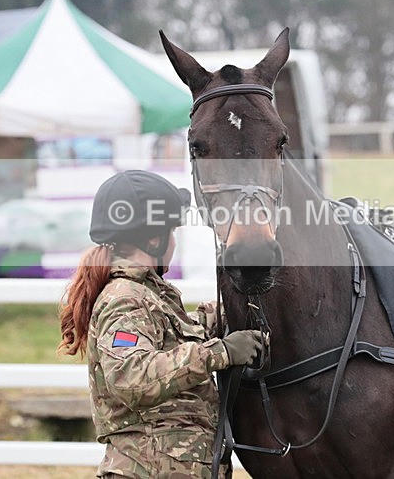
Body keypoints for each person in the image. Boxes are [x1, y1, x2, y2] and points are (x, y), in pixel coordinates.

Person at [58, 170, 263, 478]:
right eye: (172, 231)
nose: (174, 242)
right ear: (154, 239)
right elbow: (132, 377)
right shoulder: (125, 299)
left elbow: (178, 337)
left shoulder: (147, 294)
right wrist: (221, 353)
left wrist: (232, 308)